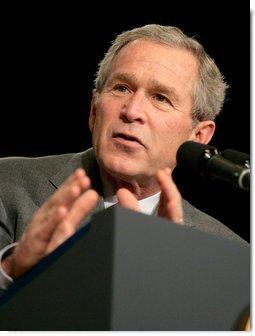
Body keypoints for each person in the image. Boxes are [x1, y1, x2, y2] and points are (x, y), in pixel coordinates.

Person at [0, 24, 247, 291]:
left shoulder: (233, 256)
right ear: (94, 110)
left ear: (198, 136)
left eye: (160, 98)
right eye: (121, 88)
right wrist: (11, 270)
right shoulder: (8, 184)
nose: (132, 110)